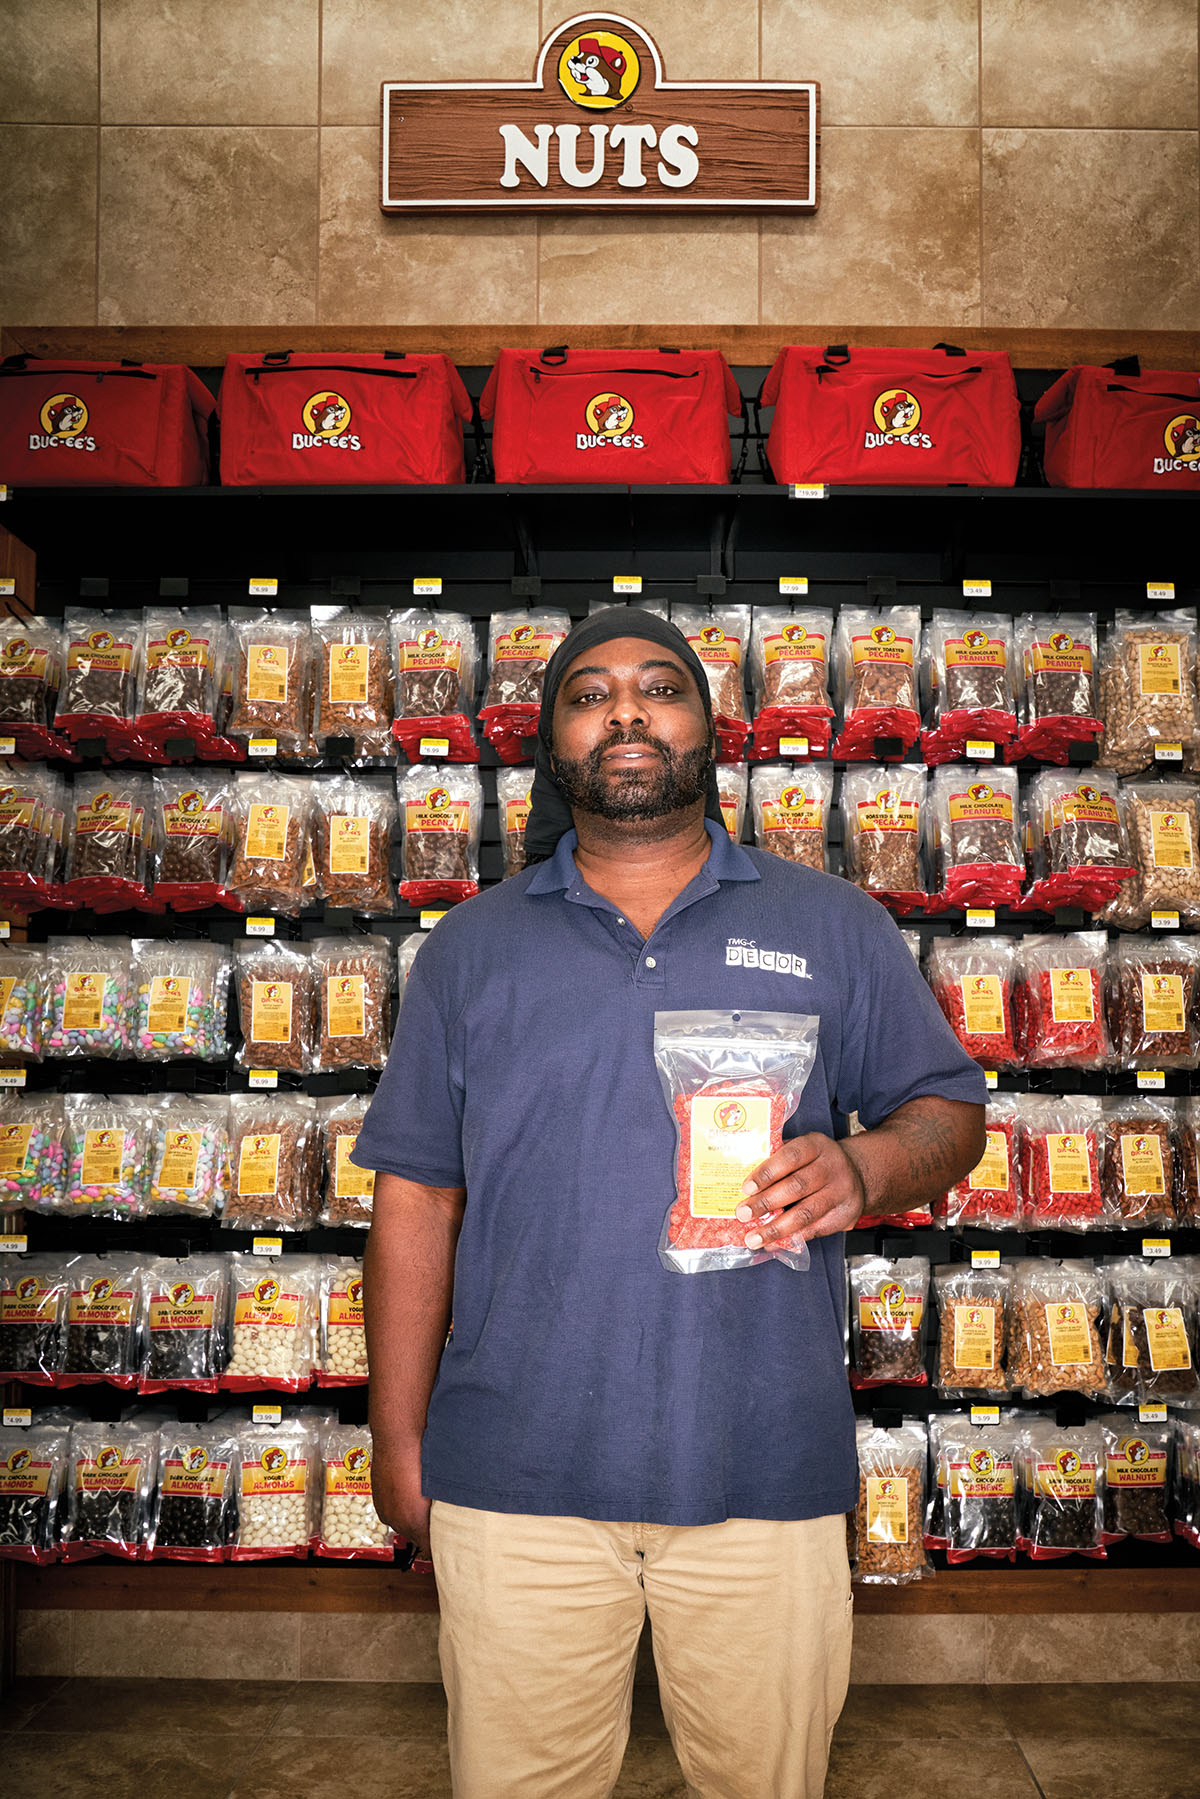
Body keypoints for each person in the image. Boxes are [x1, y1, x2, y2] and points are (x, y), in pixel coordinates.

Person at [355, 608, 986, 1799]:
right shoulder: (470, 951)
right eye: (591, 695)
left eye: (661, 689)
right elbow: (418, 1198)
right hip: (513, 1473)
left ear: (710, 727)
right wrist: (398, 1437)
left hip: (762, 1464)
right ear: (551, 744)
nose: (628, 713)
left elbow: (949, 1113)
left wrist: (862, 1168)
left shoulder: (832, 923)